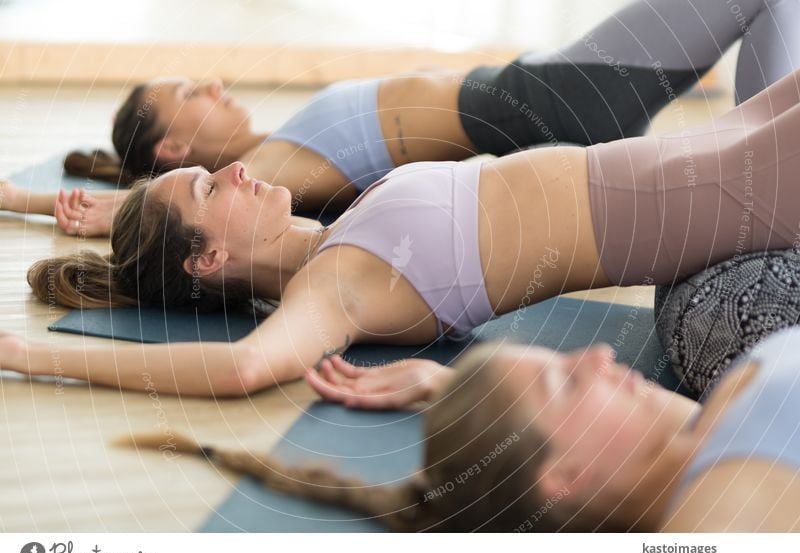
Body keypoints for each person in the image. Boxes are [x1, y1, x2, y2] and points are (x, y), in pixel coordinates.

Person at [10, 64, 800, 398]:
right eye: (213, 187)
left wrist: (56, 205)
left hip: (694, 156)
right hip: (706, 199)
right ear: (211, 257)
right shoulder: (333, 288)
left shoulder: (336, 232)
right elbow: (243, 367)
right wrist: (29, 354)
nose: (240, 170)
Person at [3, 0, 797, 235]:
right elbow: (142, 211)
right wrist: (28, 201)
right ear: (176, 149)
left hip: (539, 91)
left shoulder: (276, 144)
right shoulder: (267, 172)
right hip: (554, 102)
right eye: (193, 94)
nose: (213, 84)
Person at [119, 326, 800, 532]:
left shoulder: (703, 433)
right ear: (561, 476)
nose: (597, 355)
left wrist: (455, 392)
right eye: (566, 379)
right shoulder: (726, 515)